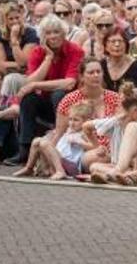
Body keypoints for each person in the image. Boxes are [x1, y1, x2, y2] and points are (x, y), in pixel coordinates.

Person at [9, 15, 85, 165]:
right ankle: (25, 148)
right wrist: (48, 58)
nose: (53, 36)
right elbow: (29, 82)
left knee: (59, 94)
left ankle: (59, 144)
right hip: (46, 103)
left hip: (70, 105)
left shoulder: (75, 50)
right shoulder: (38, 51)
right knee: (28, 98)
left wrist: (37, 85)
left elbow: (69, 83)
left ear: (63, 33)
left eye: (56, 32)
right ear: (43, 37)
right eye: (48, 33)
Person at [12, 102, 96, 180]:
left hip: (71, 165)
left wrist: (79, 142)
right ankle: (29, 168)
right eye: (70, 119)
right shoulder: (69, 130)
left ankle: (60, 171)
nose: (72, 123)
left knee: (45, 144)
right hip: (59, 160)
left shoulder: (84, 133)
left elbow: (93, 147)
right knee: (37, 140)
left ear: (86, 121)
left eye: (76, 120)